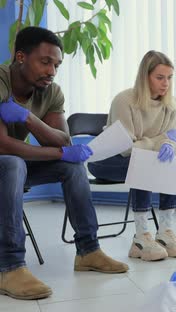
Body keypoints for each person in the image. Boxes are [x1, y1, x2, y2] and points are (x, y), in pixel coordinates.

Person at [0, 26, 128, 300]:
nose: (52, 71)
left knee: (72, 166)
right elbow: (2, 145)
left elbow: (63, 142)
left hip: (14, 165)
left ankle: (88, 250)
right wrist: (58, 151)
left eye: (56, 65)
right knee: (12, 163)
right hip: (7, 164)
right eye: (45, 62)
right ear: (20, 57)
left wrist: (28, 118)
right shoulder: (0, 81)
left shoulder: (51, 91)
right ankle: (9, 266)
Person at [88, 50, 176, 261]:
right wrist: (157, 140)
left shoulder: (171, 104)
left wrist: (168, 143)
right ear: (145, 77)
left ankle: (164, 233)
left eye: (169, 77)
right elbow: (125, 148)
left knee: (172, 160)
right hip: (107, 160)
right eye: (160, 77)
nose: (166, 84)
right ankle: (141, 236)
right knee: (144, 163)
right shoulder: (124, 100)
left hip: (139, 157)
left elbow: (169, 140)